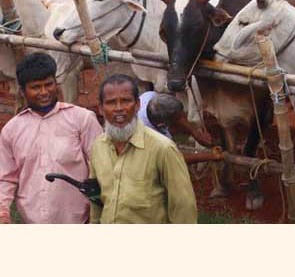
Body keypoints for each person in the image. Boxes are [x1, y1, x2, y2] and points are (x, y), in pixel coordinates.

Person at [0, 53, 103, 224]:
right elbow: (5, 178)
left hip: (81, 222)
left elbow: (101, 167)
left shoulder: (82, 119)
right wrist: (3, 213)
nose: (44, 92)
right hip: (32, 224)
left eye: (49, 84)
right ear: (22, 91)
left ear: (56, 83)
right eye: (36, 87)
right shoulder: (12, 130)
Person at [89, 74, 197, 223]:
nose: (119, 108)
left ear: (138, 105)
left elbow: (183, 206)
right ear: (100, 108)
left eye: (126, 101)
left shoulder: (163, 149)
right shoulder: (98, 147)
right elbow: (96, 199)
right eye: (111, 102)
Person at [137, 91, 213, 146]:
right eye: (176, 119)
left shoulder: (150, 96)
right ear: (163, 125)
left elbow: (179, 115)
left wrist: (195, 133)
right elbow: (175, 157)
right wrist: (214, 156)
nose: (182, 119)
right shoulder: (154, 137)